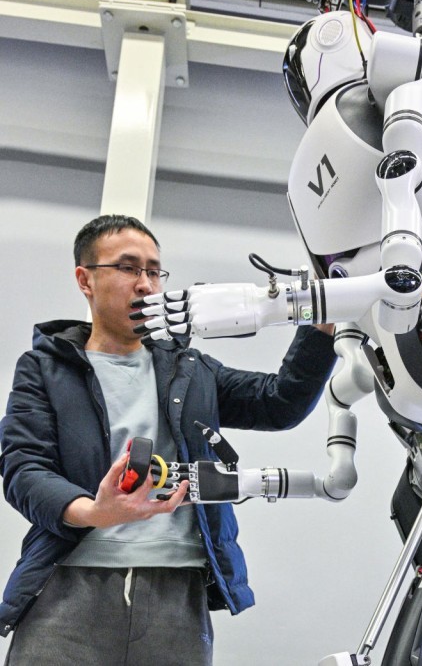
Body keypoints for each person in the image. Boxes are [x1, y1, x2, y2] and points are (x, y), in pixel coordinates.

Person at [0, 214, 336, 665]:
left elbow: (279, 403)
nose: (145, 283)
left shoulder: (189, 368)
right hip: (67, 588)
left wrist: (320, 320)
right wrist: (93, 512)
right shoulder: (44, 368)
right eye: (128, 267)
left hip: (176, 594)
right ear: (85, 279)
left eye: (155, 271)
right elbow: (25, 468)